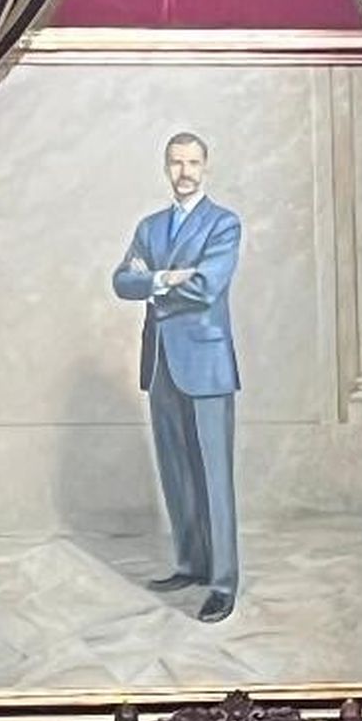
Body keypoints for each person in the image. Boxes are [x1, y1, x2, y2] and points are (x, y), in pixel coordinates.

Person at [112, 130, 243, 624]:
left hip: (207, 365)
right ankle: (191, 564)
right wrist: (167, 278)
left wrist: (152, 282)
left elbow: (209, 286)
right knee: (176, 470)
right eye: (175, 163)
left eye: (192, 162)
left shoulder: (224, 224)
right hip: (161, 361)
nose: (184, 171)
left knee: (214, 475)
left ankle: (224, 582)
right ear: (165, 168)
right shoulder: (149, 227)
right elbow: (121, 281)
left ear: (205, 166)